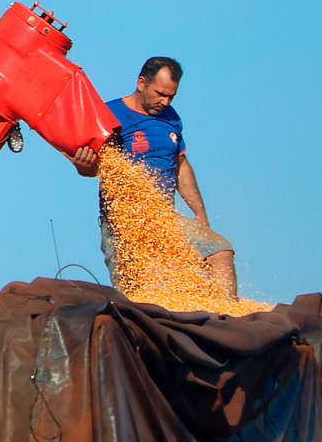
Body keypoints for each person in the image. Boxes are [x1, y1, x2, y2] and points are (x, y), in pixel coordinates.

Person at [65, 56, 238, 298]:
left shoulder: (171, 118)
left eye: (171, 96)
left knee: (220, 251)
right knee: (138, 299)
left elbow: (180, 165)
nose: (165, 102)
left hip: (164, 219)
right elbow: (93, 167)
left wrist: (200, 213)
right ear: (141, 83)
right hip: (124, 223)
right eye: (160, 94)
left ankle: (227, 315)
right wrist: (83, 166)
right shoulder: (108, 114)